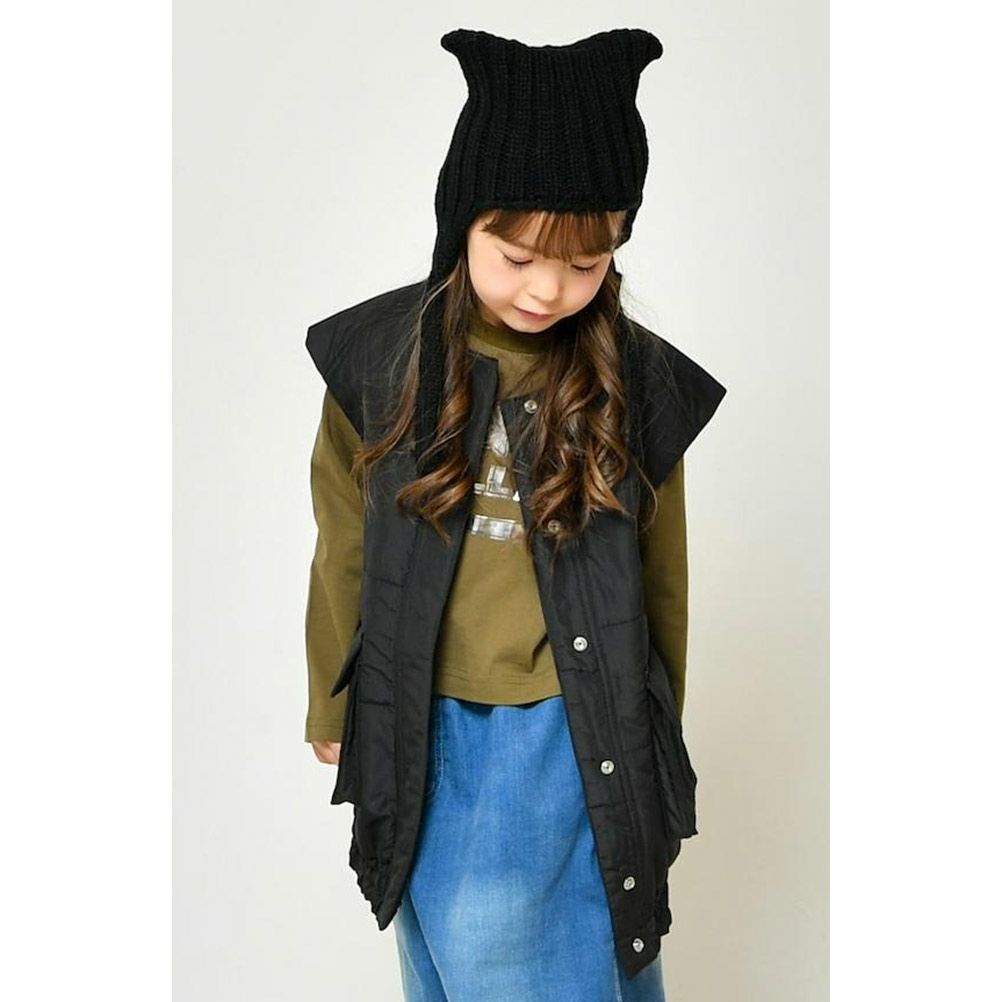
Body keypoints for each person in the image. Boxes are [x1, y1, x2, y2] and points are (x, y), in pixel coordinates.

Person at [303, 27, 727, 1002]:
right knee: (444, 955)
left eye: (585, 262)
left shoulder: (634, 384)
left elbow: (662, 572)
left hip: (561, 729)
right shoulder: (381, 362)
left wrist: (657, 720)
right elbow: (343, 539)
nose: (548, 288)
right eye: (518, 254)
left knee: (537, 957)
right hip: (417, 713)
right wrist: (332, 700)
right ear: (462, 223)